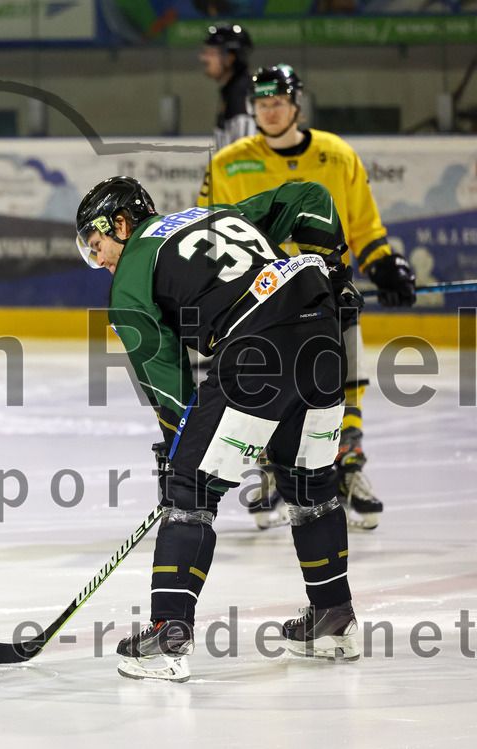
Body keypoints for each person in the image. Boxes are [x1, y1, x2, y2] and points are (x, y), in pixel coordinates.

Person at [75, 176, 363, 681]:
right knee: (310, 486)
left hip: (257, 347)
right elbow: (309, 196)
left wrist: (181, 447)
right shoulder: (217, 213)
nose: (97, 261)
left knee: (189, 489)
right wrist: (335, 267)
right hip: (323, 339)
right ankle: (333, 620)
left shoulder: (130, 275)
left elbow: (166, 376)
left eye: (97, 246)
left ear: (120, 224)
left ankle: (168, 637)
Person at [198, 64, 417, 530]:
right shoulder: (228, 163)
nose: (270, 111)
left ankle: (348, 471)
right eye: (261, 103)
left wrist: (385, 267)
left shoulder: (337, 156)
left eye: (278, 102)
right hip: (261, 305)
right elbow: (208, 231)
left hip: (329, 296)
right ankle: (275, 473)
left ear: (297, 104)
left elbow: (364, 229)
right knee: (265, 389)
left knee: (344, 386)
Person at [201, 22, 255, 153]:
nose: (203, 58)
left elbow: (246, 153)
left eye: (211, 53)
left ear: (229, 58)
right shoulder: (231, 91)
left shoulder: (241, 93)